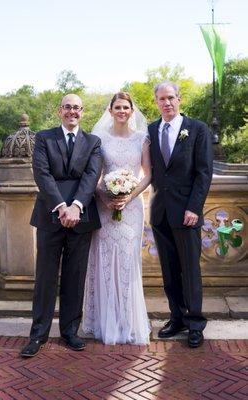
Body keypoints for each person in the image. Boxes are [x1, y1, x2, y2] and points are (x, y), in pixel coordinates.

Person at [20, 94, 102, 357]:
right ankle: (38, 335)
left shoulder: (93, 142)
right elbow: (42, 174)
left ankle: (69, 332)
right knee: (45, 277)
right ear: (59, 111)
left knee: (74, 277)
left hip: (82, 217)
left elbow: (91, 176)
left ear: (82, 111)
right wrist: (61, 207)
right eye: (67, 107)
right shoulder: (44, 138)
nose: (72, 112)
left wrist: (76, 206)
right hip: (49, 214)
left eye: (76, 108)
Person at [82, 92, 151, 345]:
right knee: (103, 259)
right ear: (110, 110)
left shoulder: (142, 139)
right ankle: (104, 323)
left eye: (126, 107)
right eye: (118, 107)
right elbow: (95, 175)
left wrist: (127, 197)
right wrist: (105, 195)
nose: (122, 111)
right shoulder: (99, 139)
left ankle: (128, 323)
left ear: (132, 111)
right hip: (104, 207)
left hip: (131, 209)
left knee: (127, 260)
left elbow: (147, 175)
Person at [148, 81, 213, 348]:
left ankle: (195, 322)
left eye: (171, 98)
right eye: (162, 99)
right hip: (161, 212)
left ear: (180, 99)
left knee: (190, 269)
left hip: (187, 213)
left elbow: (203, 173)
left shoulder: (197, 129)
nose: (167, 103)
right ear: (156, 102)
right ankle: (177, 318)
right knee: (169, 270)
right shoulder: (152, 129)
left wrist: (194, 208)